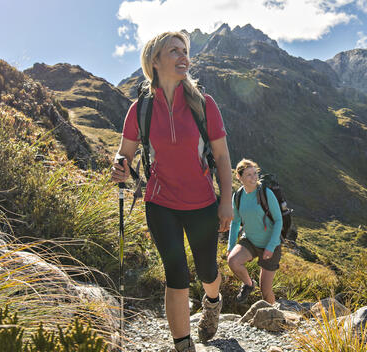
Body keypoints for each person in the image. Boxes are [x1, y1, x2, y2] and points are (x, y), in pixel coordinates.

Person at [110, 31, 232, 352]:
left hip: (203, 202)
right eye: (174, 51)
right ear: (155, 60)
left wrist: (227, 202)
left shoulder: (204, 104)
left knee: (207, 271)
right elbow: (125, 152)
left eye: (185, 51)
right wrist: (119, 164)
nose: (183, 56)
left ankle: (212, 300)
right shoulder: (140, 110)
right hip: (160, 202)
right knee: (175, 271)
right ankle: (183, 345)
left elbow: (221, 157)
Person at [227, 159, 283, 305]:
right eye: (249, 175)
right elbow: (235, 222)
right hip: (250, 241)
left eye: (255, 173)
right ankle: (249, 284)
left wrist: (270, 247)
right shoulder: (238, 197)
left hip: (271, 245)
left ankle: (273, 316)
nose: (254, 178)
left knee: (265, 291)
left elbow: (278, 220)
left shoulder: (266, 193)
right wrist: (230, 246)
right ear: (239, 177)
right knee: (233, 261)